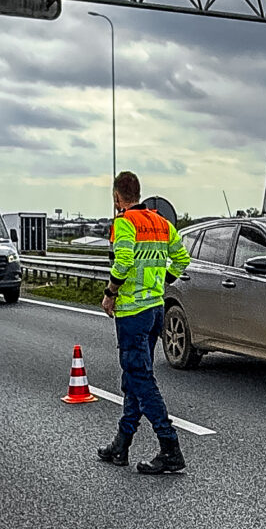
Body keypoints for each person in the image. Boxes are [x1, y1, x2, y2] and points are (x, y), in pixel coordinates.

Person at [97, 170, 190, 474]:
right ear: (138, 193)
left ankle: (170, 447)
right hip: (155, 310)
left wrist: (110, 293)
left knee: (141, 379)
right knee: (134, 379)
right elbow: (182, 260)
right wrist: (161, 282)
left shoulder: (124, 223)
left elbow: (122, 262)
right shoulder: (160, 222)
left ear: (116, 197)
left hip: (133, 313)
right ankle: (121, 445)